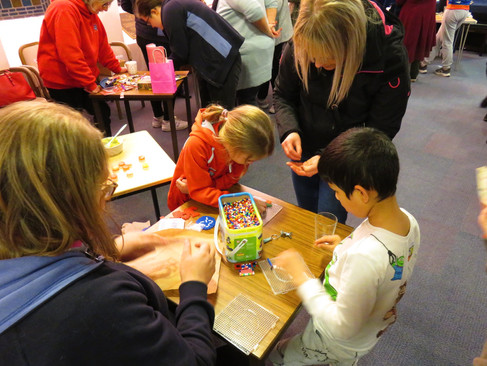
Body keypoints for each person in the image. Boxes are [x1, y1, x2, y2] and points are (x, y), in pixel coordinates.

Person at [0, 100, 217, 365]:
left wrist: (105, 251)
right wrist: (194, 286)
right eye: (102, 189)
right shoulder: (102, 304)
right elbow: (196, 361)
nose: (105, 200)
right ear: (70, 199)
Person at [269, 127, 421, 365]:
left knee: (280, 355)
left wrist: (301, 276)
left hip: (332, 341)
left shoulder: (366, 257)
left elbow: (341, 327)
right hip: (366, 333)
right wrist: (345, 247)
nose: (337, 198)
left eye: (337, 192)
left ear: (361, 193)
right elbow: (392, 268)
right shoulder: (408, 222)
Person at [273, 0, 410, 224]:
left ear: (350, 48)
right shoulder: (304, 36)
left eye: (327, 61)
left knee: (329, 223)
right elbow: (283, 94)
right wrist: (289, 130)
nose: (316, 65)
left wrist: (328, 158)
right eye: (311, 57)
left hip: (346, 157)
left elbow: (380, 133)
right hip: (306, 147)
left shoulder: (388, 57)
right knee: (307, 218)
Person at [37, 0, 127, 135]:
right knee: (70, 126)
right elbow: (70, 53)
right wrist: (90, 83)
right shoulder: (63, 8)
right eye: (105, 4)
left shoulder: (90, 13)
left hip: (83, 76)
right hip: (62, 81)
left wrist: (116, 68)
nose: (106, 9)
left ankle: (103, 149)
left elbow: (102, 46)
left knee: (102, 112)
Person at [135, 0, 244, 109]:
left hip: (221, 62)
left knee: (221, 114)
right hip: (215, 60)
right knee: (209, 111)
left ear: (154, 12)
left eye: (148, 21)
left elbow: (180, 52)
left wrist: (160, 72)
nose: (152, 26)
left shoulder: (170, 11)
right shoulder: (172, 6)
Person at [167, 104, 275, 211]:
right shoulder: (197, 145)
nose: (249, 164)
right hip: (186, 204)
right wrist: (241, 201)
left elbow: (231, 178)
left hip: (211, 197)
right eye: (249, 159)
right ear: (235, 144)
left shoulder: (235, 149)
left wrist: (206, 187)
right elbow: (199, 191)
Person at [121, 0, 188, 131]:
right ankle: (168, 119)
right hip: (160, 31)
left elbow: (125, 5)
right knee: (168, 73)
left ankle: (158, 116)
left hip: (144, 32)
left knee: (154, 73)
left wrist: (142, 15)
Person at [214, 0, 280, 106]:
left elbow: (254, 11)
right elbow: (271, 3)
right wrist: (269, 27)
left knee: (244, 105)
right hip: (253, 50)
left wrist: (268, 30)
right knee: (247, 101)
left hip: (245, 53)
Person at [256, 0, 293, 113]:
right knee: (271, 65)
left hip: (276, 32)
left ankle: (271, 100)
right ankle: (264, 97)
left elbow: (272, 10)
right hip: (275, 31)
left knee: (272, 66)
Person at [420, 0, 471, 77]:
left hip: (453, 10)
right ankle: (424, 63)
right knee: (438, 38)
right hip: (464, 10)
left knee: (447, 41)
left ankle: (446, 68)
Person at [397, 0, 436, 82]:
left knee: (407, 43)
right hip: (428, 11)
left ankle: (403, 76)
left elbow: (399, 1)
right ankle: (413, 74)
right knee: (419, 42)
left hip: (413, 12)